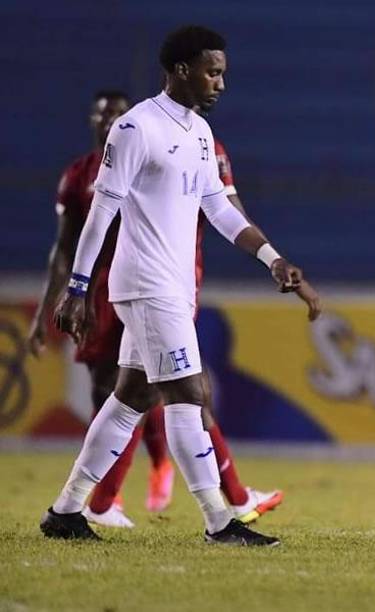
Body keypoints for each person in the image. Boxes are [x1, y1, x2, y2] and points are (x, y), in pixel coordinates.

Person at [40, 25, 303, 546]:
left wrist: (271, 258)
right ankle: (219, 521)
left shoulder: (200, 133)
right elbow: (102, 210)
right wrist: (76, 286)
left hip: (174, 286)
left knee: (130, 398)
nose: (220, 83)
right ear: (181, 70)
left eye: (222, 73)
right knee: (190, 392)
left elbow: (220, 209)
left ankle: (65, 510)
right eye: (212, 72)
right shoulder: (137, 129)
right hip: (146, 283)